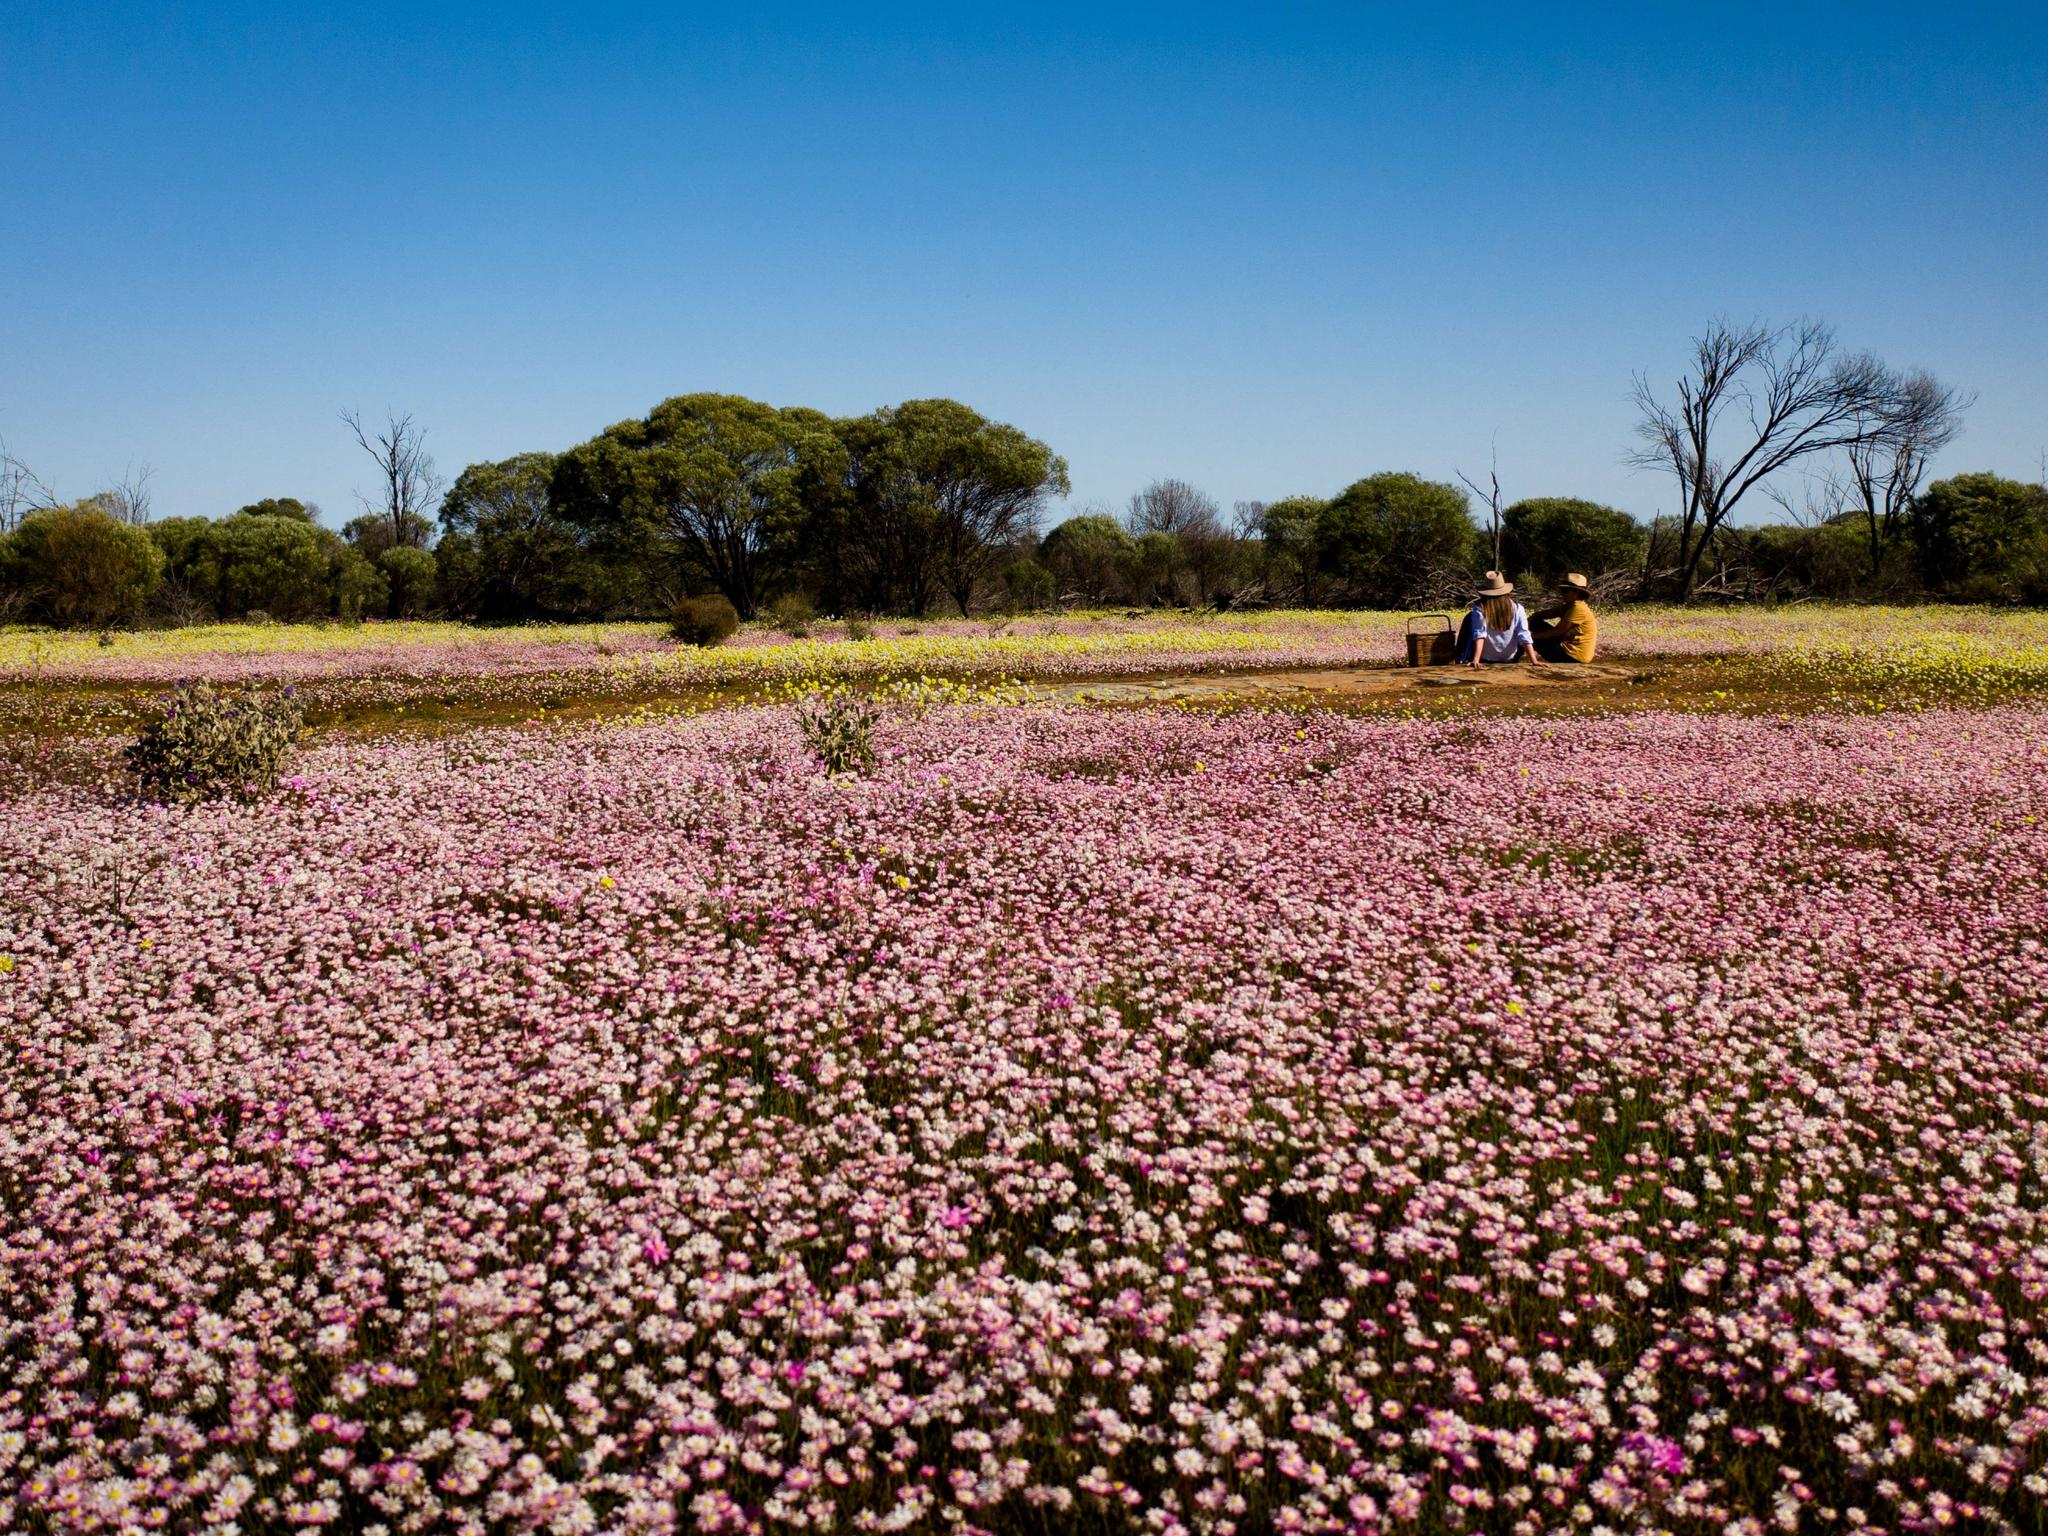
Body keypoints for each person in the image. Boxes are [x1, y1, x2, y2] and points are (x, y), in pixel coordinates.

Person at [1455, 572, 1544, 668]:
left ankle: (1462, 658)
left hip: (1486, 658)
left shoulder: (1479, 608)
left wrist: (1476, 659)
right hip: (1509, 657)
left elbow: (1480, 634)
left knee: (1469, 618)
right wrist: (1533, 660)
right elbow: (1523, 635)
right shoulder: (1518, 608)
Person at [1529, 573, 1598, 664]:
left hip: (1573, 656)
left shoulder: (1578, 608)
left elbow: (1556, 632)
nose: (1562, 593)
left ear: (1576, 592)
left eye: (1565, 590)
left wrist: (1528, 637)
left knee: (1530, 639)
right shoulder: (1571, 605)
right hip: (1569, 650)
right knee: (1535, 623)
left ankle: (1513, 658)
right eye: (1562, 590)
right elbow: (1541, 615)